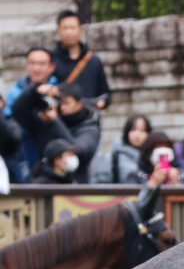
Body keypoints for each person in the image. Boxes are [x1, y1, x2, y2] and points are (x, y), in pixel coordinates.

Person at [10, 82, 100, 183]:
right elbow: (18, 111)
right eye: (60, 103)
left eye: (67, 103)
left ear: (79, 104)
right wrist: (35, 91)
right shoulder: (47, 121)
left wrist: (55, 121)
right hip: (46, 181)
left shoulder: (89, 128)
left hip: (75, 185)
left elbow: (77, 150)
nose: (62, 107)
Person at [4, 47, 58, 182]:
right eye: (32, 63)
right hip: (22, 154)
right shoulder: (14, 93)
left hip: (52, 154)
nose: (36, 68)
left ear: (51, 67)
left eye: (41, 64)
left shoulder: (59, 90)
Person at [52, 10, 111, 109]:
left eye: (73, 28)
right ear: (58, 31)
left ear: (80, 30)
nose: (69, 32)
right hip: (62, 120)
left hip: (89, 118)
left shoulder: (93, 61)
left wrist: (102, 102)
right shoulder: (52, 60)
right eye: (65, 28)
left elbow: (105, 93)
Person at [89, 114, 150, 183]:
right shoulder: (111, 159)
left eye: (142, 130)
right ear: (127, 132)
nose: (137, 134)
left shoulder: (153, 158)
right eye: (133, 129)